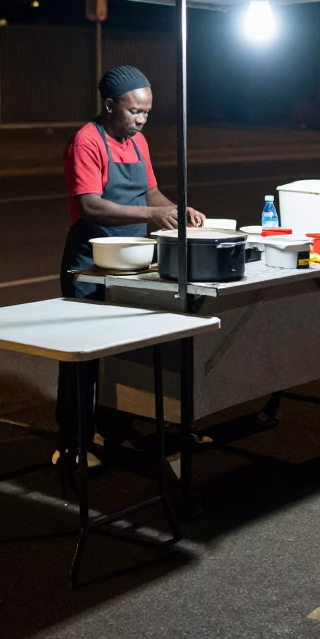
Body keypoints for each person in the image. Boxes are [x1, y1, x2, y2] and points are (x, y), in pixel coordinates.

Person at [56, 64, 205, 451]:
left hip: (133, 261)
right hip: (89, 263)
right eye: (134, 111)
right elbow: (91, 206)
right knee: (83, 354)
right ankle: (74, 441)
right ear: (109, 105)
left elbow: (150, 193)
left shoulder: (138, 142)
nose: (141, 120)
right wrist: (151, 215)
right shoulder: (86, 141)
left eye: (146, 113)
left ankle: (115, 428)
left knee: (126, 350)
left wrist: (177, 210)